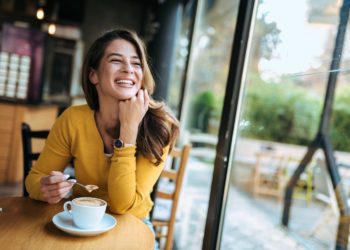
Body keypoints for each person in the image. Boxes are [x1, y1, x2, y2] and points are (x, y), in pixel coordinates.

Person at [25, 28, 179, 243]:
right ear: (93, 75)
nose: (128, 69)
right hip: (81, 220)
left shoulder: (159, 126)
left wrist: (128, 130)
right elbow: (34, 179)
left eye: (136, 63)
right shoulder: (73, 119)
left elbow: (122, 205)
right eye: (116, 61)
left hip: (132, 225)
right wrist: (45, 188)